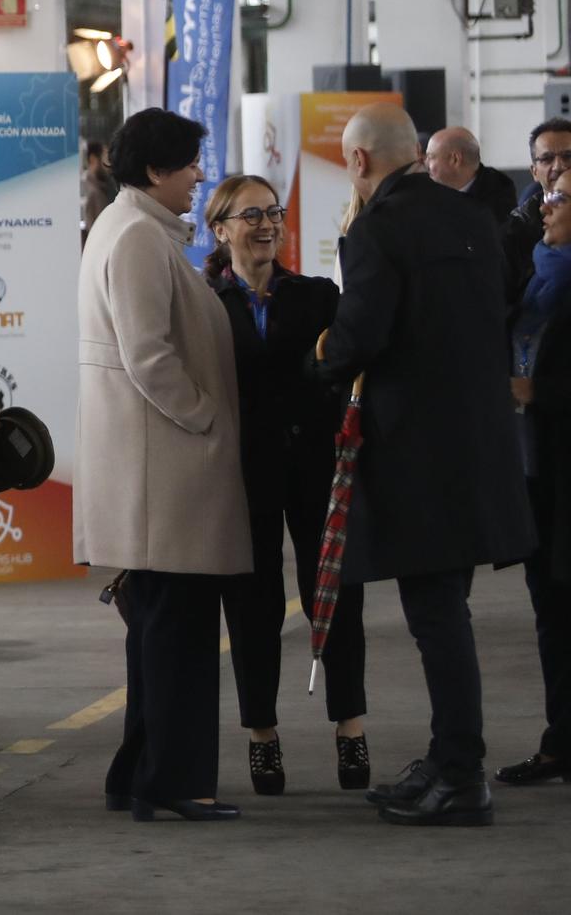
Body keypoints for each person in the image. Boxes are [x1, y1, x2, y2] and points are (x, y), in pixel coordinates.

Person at [317, 103, 536, 826]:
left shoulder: (377, 228)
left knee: (437, 615)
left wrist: (317, 352)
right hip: (482, 445)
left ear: (358, 161)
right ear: (415, 152)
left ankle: (461, 773)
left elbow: (362, 334)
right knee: (446, 608)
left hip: (418, 452)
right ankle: (449, 757)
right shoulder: (473, 219)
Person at [76, 109, 249, 821]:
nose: (198, 177)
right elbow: (149, 353)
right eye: (188, 165)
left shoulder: (130, 226)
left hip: (154, 468)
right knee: (176, 638)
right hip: (165, 470)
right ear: (155, 170)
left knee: (157, 634)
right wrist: (205, 413)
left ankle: (138, 773)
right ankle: (177, 781)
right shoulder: (141, 237)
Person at [201, 175, 368, 796]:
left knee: (335, 597)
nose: (267, 224)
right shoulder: (206, 302)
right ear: (221, 229)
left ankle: (350, 729)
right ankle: (262, 738)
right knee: (253, 606)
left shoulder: (318, 295)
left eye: (274, 212)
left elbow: (346, 365)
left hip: (317, 466)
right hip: (239, 472)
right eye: (251, 215)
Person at [498, 165, 571, 788]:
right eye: (547, 195)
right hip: (537, 468)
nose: (547, 207)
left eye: (562, 199)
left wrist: (536, 390)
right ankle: (560, 741)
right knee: (551, 608)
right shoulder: (539, 269)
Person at [506, 118, 571, 297]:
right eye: (547, 159)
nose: (559, 166)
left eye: (568, 156)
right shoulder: (514, 230)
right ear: (534, 171)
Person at [425, 127, 517, 221]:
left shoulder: (497, 201)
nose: (425, 163)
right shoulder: (431, 192)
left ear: (455, 159)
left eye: (430, 157)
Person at [81, 139, 118, 244]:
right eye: (105, 158)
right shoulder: (93, 193)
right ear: (93, 159)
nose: (108, 165)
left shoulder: (101, 189)